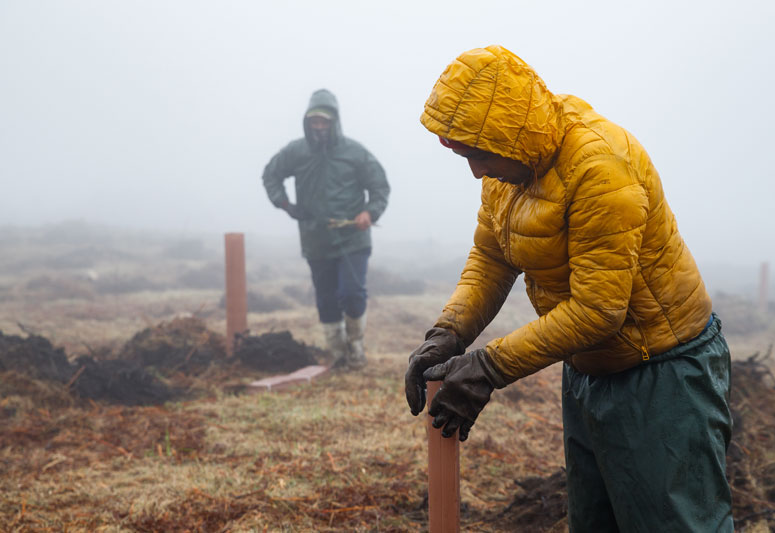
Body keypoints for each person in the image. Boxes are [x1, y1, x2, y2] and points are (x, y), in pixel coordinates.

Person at [405, 45, 733, 531]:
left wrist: (487, 367)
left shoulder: (601, 167)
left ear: (509, 135)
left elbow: (600, 311)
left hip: (664, 375)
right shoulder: (508, 169)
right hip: (587, 371)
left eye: (479, 154)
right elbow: (492, 257)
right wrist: (449, 333)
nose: (476, 170)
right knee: (596, 522)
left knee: (675, 524)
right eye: (466, 155)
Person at [262, 89, 389, 370]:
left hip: (353, 237)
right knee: (327, 298)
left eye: (324, 122)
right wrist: (285, 204)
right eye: (314, 122)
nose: (319, 127)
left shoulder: (355, 153)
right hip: (315, 238)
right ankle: (338, 354)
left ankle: (355, 347)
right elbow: (270, 175)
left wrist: (370, 212)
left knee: (352, 294)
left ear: (335, 122)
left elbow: (379, 186)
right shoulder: (295, 152)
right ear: (307, 123)